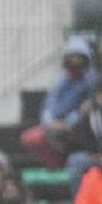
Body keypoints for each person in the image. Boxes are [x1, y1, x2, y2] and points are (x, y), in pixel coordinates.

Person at [22, 36, 98, 168]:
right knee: (31, 138)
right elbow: (48, 106)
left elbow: (85, 109)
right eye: (72, 57)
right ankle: (55, 165)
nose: (75, 61)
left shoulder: (91, 82)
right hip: (55, 126)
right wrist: (51, 123)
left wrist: (67, 123)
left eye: (78, 58)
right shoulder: (59, 80)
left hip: (77, 129)